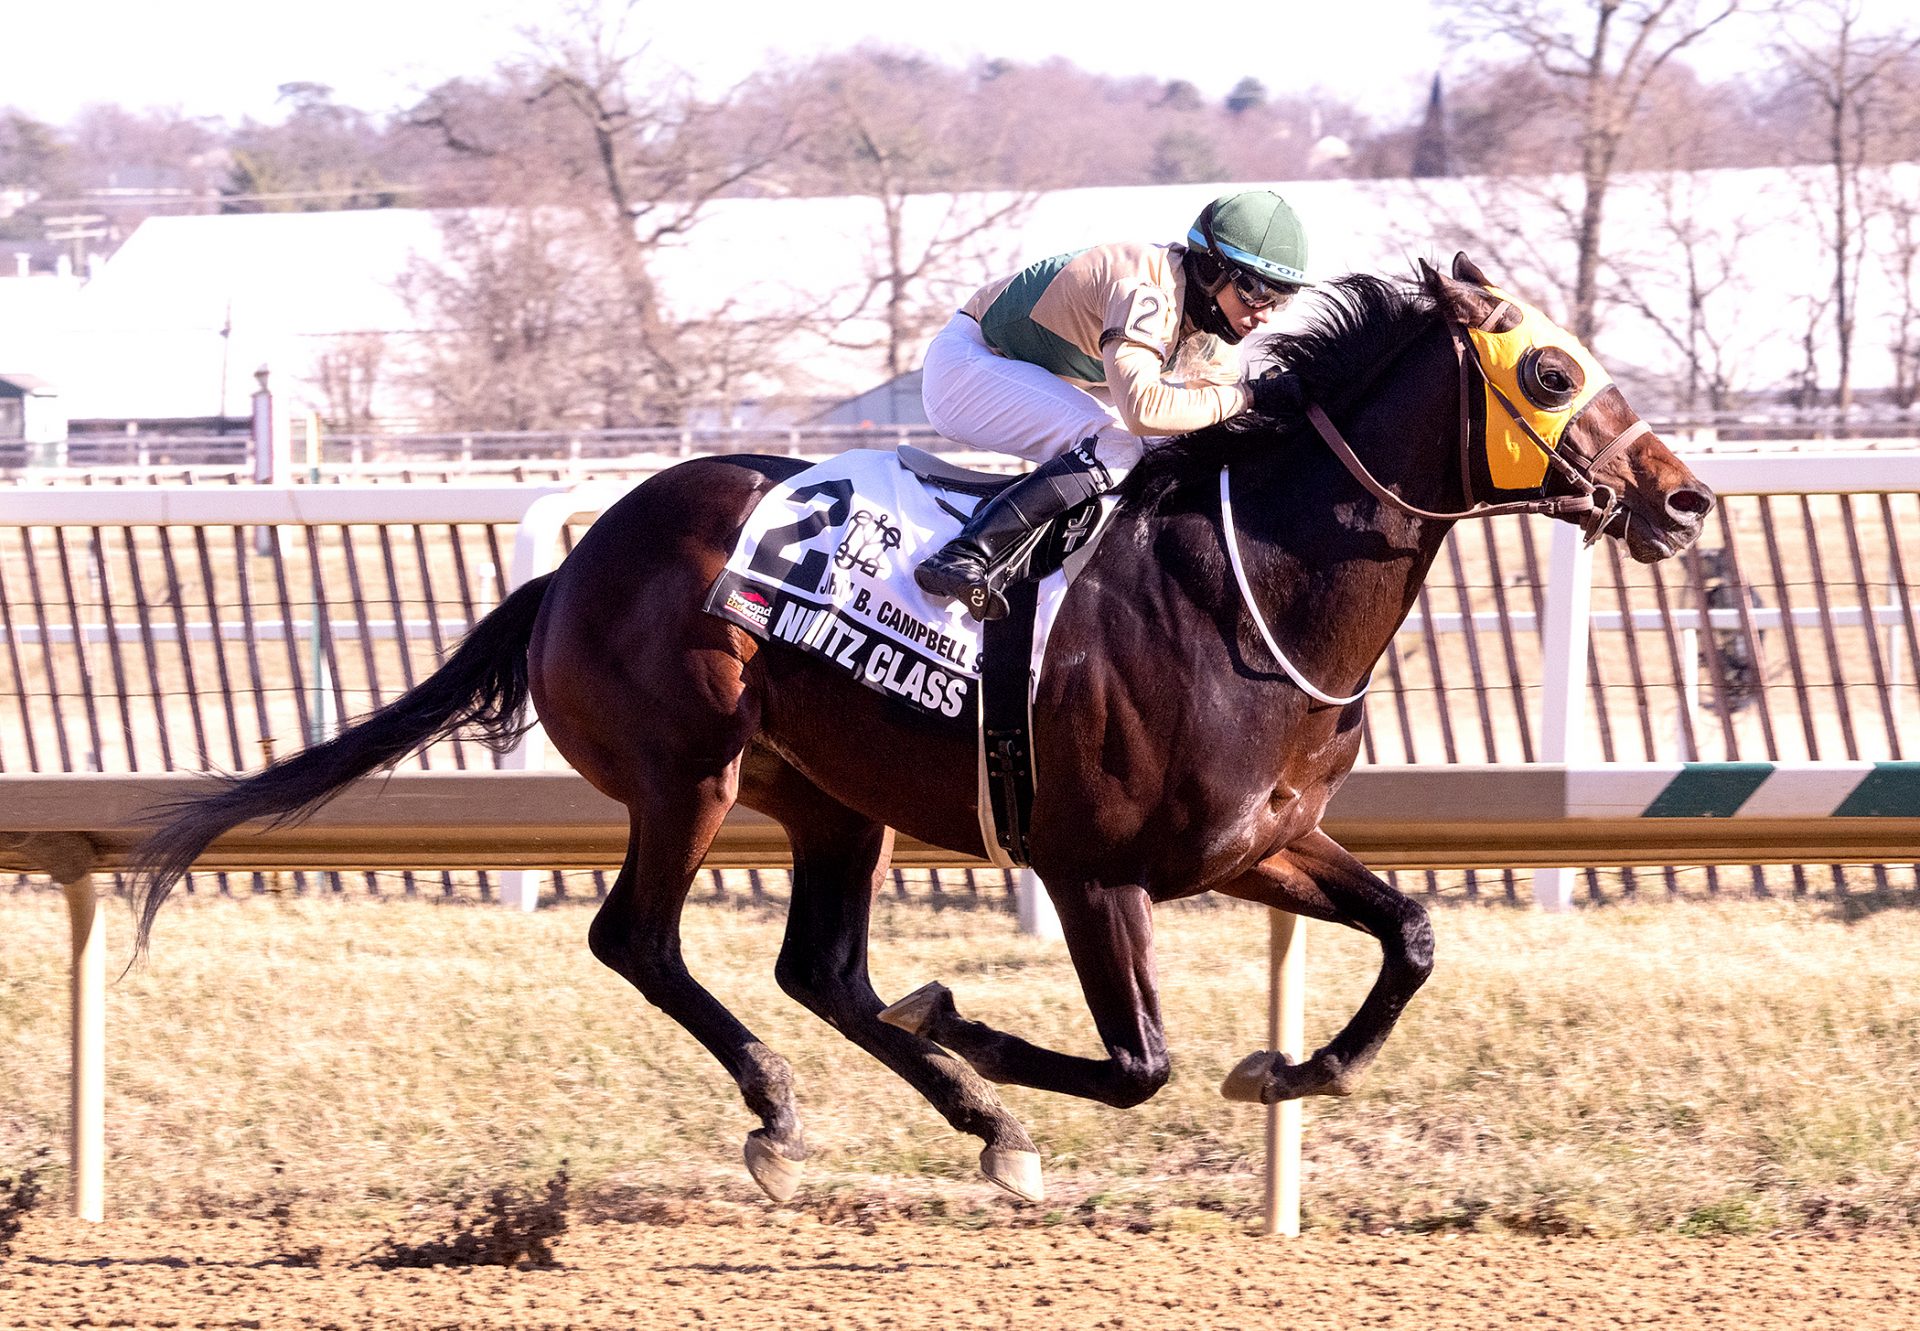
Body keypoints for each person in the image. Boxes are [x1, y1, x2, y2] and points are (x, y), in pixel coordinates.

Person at [913, 189, 1311, 621]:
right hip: (969, 366)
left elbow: (1209, 425)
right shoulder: (1145, 289)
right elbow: (1144, 411)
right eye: (1256, 292)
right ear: (1213, 271)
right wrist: (1249, 395)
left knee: (1162, 452)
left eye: (1280, 300)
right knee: (1116, 447)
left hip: (1043, 373)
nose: (1266, 314)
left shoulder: (1211, 332)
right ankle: (965, 554)